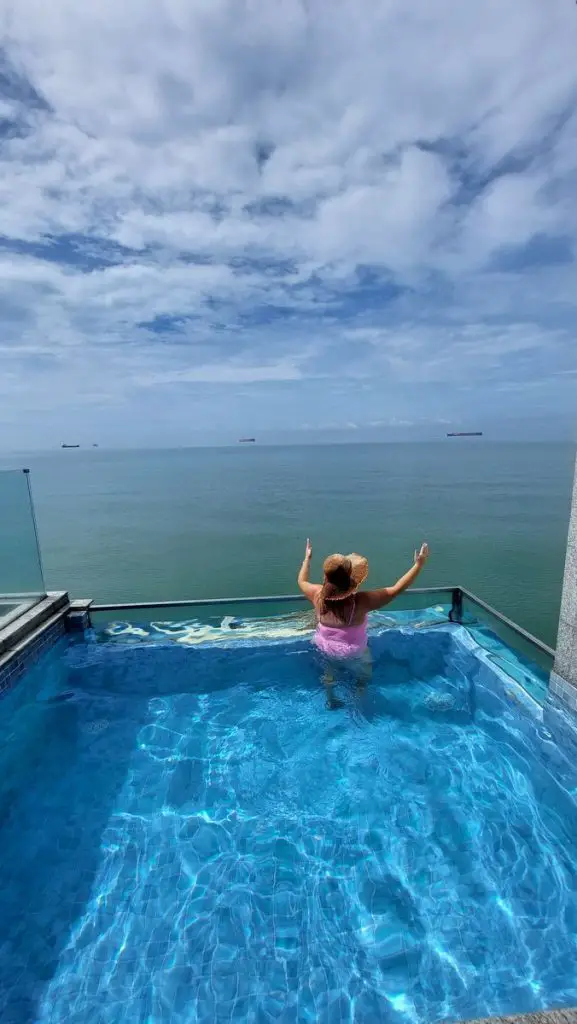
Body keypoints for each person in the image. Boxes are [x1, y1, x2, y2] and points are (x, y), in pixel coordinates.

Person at [297, 539, 430, 702]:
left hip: (326, 646)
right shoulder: (361, 601)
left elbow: (302, 581)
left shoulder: (317, 595)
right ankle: (358, 698)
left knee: (329, 673)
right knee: (365, 672)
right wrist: (418, 565)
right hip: (354, 651)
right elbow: (396, 589)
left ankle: (331, 699)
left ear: (325, 576)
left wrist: (307, 559)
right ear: (350, 577)